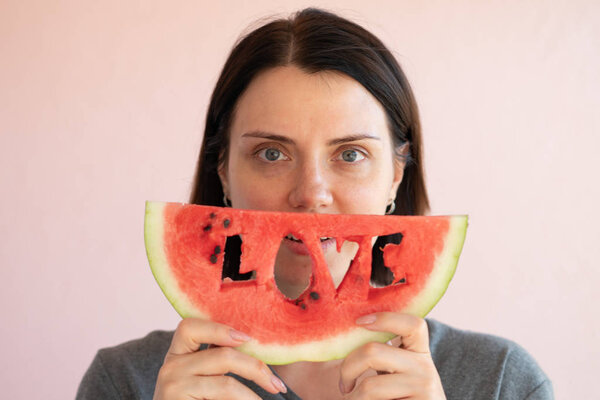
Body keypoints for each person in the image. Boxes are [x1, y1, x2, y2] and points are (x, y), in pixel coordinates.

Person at [77, 8, 553, 400]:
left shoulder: (502, 382)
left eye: (350, 154)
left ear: (395, 177)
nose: (311, 193)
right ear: (222, 170)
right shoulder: (127, 383)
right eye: (271, 153)